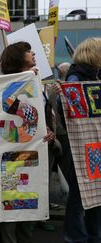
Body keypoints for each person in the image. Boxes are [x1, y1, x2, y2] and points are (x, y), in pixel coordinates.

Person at [0, 41, 55, 243]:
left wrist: (48, 131)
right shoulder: (3, 85)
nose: (33, 54)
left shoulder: (37, 81)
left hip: (35, 153)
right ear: (17, 57)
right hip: (12, 155)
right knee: (12, 207)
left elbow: (42, 117)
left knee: (31, 205)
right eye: (28, 51)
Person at [62, 37, 101, 243]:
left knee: (96, 194)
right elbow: (69, 110)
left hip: (96, 146)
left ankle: (94, 235)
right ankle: (75, 237)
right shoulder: (75, 79)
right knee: (79, 196)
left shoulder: (94, 76)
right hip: (81, 147)